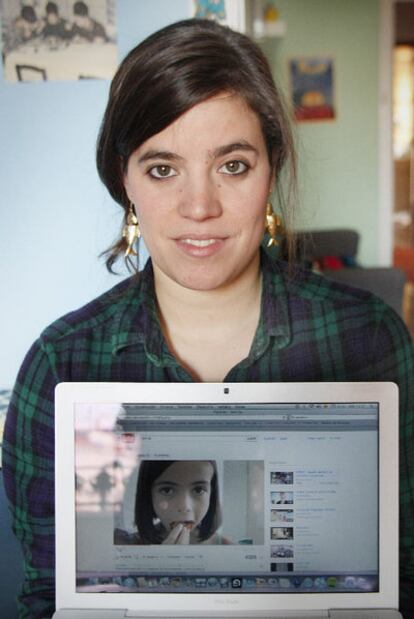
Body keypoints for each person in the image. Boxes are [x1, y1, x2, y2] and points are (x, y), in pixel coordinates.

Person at [2, 17, 414, 619]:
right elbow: (48, 597)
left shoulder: (369, 336)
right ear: (126, 182)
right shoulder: (60, 361)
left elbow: (402, 575)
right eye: (163, 169)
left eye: (233, 165)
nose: (200, 208)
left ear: (270, 169)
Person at [114, 460, 231, 545]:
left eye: (198, 490)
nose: (185, 507)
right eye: (167, 490)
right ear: (149, 497)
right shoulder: (126, 546)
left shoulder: (228, 549)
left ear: (211, 496)